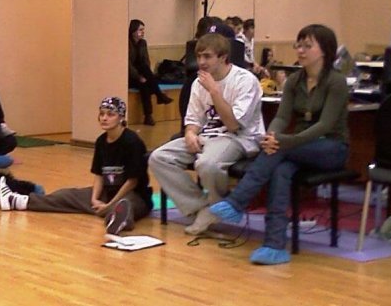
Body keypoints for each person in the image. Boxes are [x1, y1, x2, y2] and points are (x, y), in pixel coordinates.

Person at [210, 24, 349, 265]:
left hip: (331, 148)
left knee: (279, 152)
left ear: (325, 50)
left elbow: (325, 125)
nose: (300, 50)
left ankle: (238, 200)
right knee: (281, 170)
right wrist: (272, 136)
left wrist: (283, 141)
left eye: (307, 46)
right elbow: (282, 117)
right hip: (297, 148)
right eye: (299, 45)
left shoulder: (336, 82)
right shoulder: (295, 80)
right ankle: (274, 245)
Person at [149, 33, 265, 236]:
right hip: (208, 136)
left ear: (223, 57)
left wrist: (214, 91)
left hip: (238, 138)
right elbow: (193, 119)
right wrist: (190, 134)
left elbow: (233, 125)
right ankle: (204, 207)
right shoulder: (198, 83)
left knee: (207, 164)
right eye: (199, 56)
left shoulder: (245, 80)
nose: (201, 62)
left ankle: (218, 204)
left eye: (207, 56)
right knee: (159, 158)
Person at [0, 97, 153, 235]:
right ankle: (18, 201)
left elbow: (132, 181)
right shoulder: (101, 141)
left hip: (133, 195)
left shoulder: (132, 142)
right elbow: (99, 175)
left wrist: (109, 205)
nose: (104, 118)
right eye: (102, 114)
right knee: (67, 195)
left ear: (121, 118)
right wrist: (94, 199)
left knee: (125, 206)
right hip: (107, 193)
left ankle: (117, 219)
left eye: (110, 114)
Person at [128, 19, 173, 126]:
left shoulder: (143, 43)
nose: (143, 32)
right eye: (140, 30)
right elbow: (128, 65)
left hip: (142, 72)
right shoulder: (127, 43)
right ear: (133, 31)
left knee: (145, 84)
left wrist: (145, 76)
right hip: (130, 75)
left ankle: (148, 116)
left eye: (143, 30)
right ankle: (159, 95)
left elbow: (146, 61)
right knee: (144, 82)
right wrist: (139, 77)